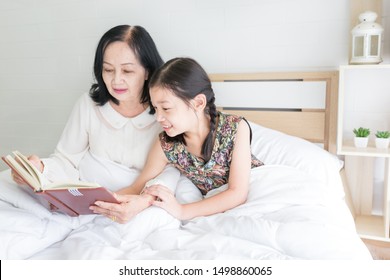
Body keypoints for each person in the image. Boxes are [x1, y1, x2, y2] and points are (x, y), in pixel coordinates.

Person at [11, 24, 180, 223]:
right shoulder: (88, 105)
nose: (116, 80)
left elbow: (174, 167)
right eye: (108, 69)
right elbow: (67, 160)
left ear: (147, 71)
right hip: (87, 197)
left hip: (137, 199)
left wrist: (144, 199)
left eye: (127, 71)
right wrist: (40, 168)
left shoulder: (166, 111)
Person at [92, 57, 264, 221]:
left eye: (166, 108)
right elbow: (138, 187)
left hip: (257, 191)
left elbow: (237, 193)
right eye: (155, 108)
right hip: (213, 205)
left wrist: (181, 210)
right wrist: (99, 202)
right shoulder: (166, 144)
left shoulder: (235, 128)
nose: (158, 117)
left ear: (198, 103)